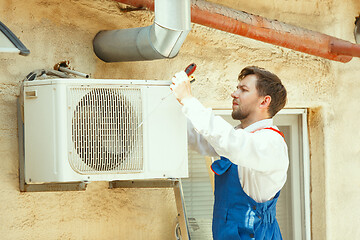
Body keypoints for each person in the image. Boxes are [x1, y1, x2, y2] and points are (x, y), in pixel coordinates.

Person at [170, 66, 289, 240]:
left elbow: (229, 141)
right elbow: (199, 138)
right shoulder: (241, 137)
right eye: (237, 88)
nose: (234, 93)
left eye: (243, 90)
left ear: (264, 102)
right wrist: (174, 102)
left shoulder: (271, 143)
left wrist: (188, 100)